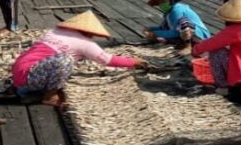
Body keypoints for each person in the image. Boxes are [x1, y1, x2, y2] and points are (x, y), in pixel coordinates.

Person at [12, 11, 146, 105]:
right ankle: (49, 96)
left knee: (65, 58)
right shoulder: (84, 43)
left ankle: (29, 92)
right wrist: (134, 62)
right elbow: (108, 60)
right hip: (30, 80)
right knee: (66, 60)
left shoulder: (55, 31)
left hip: (20, 73)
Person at [142, 0, 210, 48]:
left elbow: (177, 32)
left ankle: (188, 46)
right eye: (159, 3)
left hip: (200, 36)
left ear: (171, 0)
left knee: (184, 23)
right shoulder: (168, 13)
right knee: (160, 37)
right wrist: (150, 29)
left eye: (163, 1)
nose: (161, 4)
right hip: (183, 35)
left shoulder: (177, 10)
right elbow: (164, 28)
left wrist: (155, 33)